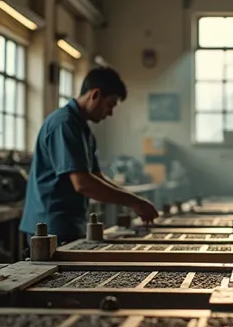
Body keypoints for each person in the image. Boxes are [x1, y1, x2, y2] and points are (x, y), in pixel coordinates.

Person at [19, 66, 159, 246]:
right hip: (49, 228)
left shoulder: (82, 129)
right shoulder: (64, 124)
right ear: (95, 95)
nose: (110, 113)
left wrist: (135, 200)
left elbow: (96, 176)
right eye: (110, 105)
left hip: (68, 223)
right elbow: (83, 183)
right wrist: (135, 203)